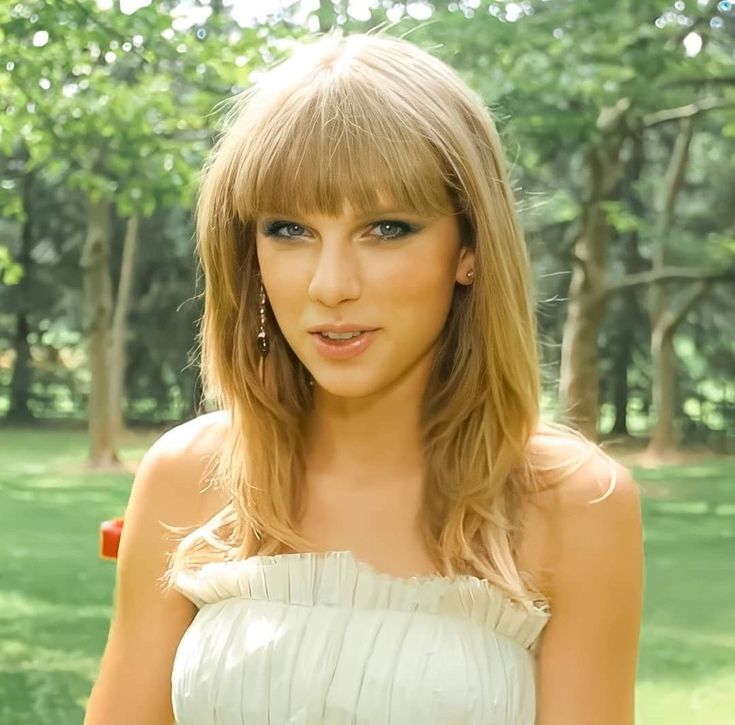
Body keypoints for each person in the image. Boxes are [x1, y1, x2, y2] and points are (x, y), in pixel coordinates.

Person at [84, 29, 643, 725]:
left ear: (468, 248)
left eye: (386, 228)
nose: (331, 284)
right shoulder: (186, 476)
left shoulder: (573, 504)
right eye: (289, 229)